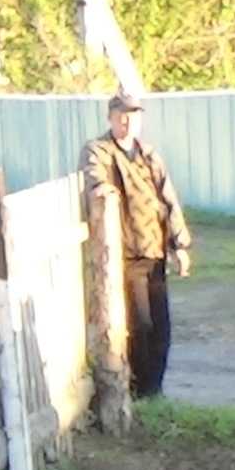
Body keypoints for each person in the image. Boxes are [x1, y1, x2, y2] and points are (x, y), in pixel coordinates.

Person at [81, 91, 193, 399]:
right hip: (124, 256)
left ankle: (154, 391)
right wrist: (105, 191)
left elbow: (168, 200)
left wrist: (179, 245)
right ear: (111, 118)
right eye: (122, 116)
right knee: (140, 326)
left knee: (161, 328)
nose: (128, 122)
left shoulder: (149, 154)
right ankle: (138, 391)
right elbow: (94, 181)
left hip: (154, 252)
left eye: (133, 116)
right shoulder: (98, 150)